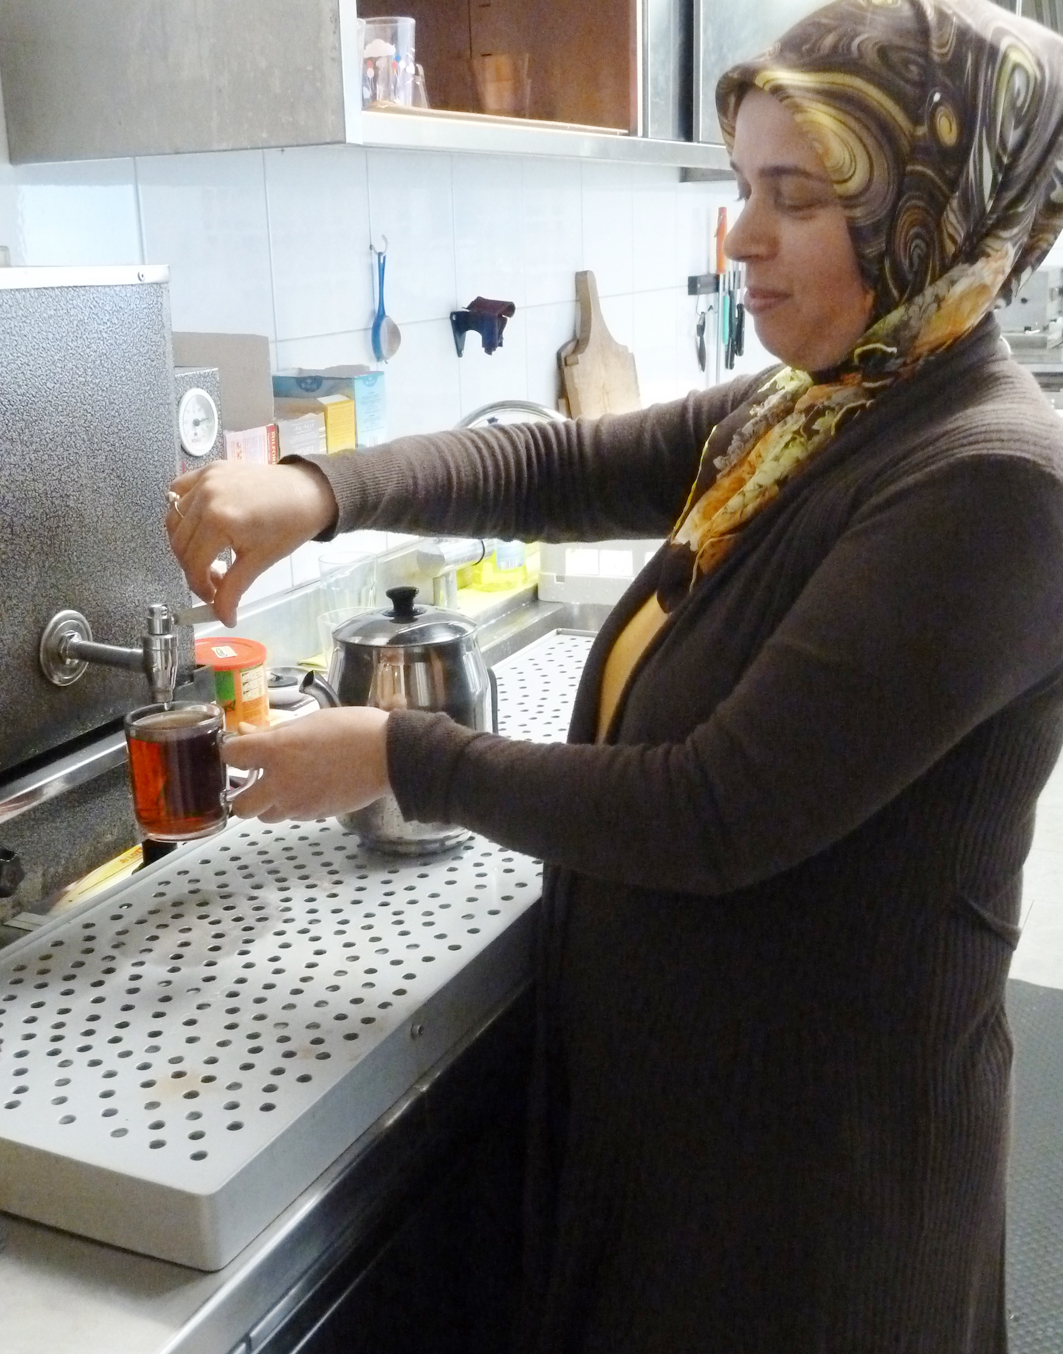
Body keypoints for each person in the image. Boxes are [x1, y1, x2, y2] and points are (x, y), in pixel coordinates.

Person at [167, 0, 1063, 1347]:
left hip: (818, 1194)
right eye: (741, 187)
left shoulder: (988, 479)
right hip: (696, 1132)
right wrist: (318, 487)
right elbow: (556, 462)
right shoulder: (815, 408)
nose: (740, 236)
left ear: (935, 214)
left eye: (796, 198)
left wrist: (398, 754)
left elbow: (716, 809)